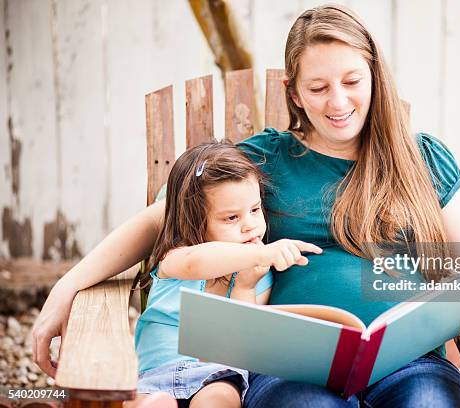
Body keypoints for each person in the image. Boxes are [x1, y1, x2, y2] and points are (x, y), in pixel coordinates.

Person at [33, 4, 460, 407]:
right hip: (291, 360)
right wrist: (67, 287)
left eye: (352, 80)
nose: (338, 101)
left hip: (412, 360)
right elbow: (155, 226)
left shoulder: (423, 158)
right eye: (318, 87)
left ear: (374, 75)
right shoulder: (261, 161)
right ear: (294, 93)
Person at [126, 142, 322, 408]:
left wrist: (244, 287)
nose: (249, 225)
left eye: (254, 210)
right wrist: (262, 254)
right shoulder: (176, 258)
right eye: (231, 218)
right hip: (155, 374)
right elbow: (198, 262)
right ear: (194, 220)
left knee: (221, 399)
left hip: (218, 376)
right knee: (147, 403)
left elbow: (241, 344)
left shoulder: (258, 274)